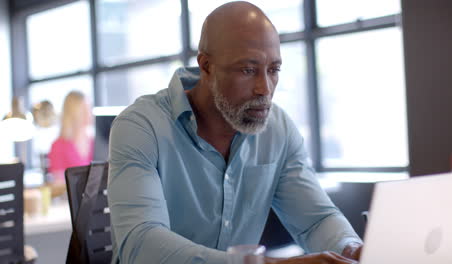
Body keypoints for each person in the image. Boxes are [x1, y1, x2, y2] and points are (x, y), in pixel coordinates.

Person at [108, 2, 363, 263]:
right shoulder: (141, 126)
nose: (265, 88)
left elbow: (316, 221)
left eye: (273, 70)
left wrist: (352, 249)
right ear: (207, 66)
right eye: (248, 70)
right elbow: (140, 244)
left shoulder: (278, 130)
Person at [48, 91, 93, 183]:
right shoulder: (58, 146)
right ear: (73, 114)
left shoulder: (94, 142)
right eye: (83, 110)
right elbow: (59, 183)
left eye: (89, 109)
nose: (89, 114)